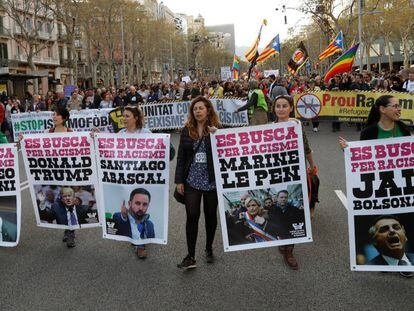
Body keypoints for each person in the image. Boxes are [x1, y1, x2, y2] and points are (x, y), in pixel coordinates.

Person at [339, 95, 411, 277]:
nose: (398, 109)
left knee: (405, 221)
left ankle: (405, 263)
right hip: (380, 185)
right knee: (384, 225)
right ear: (382, 109)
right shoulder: (369, 132)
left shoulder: (403, 128)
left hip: (402, 184)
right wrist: (349, 150)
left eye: (399, 106)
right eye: (395, 106)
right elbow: (364, 158)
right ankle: (387, 259)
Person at [271, 95, 317, 270]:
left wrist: (312, 165)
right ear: (274, 109)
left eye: (284, 106)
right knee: (280, 210)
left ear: (291, 108)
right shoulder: (270, 128)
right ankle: (282, 239)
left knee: (294, 210)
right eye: (278, 106)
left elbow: (305, 148)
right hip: (277, 173)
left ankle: (290, 250)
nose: (281, 109)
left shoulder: (297, 125)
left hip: (295, 173)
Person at [175, 96, 220, 269]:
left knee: (210, 216)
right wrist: (179, 180)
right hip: (192, 180)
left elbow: (226, 152)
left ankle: (209, 248)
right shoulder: (187, 130)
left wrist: (218, 136)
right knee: (192, 216)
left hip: (211, 181)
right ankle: (190, 255)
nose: (198, 111)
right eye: (195, 109)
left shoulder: (217, 129)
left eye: (201, 108)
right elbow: (181, 157)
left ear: (208, 110)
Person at [112, 188, 155, 258]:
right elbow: (117, 223)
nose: (141, 208)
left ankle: (140, 247)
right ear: (129, 203)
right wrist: (124, 216)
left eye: (145, 204)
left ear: (148, 206)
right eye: (137, 203)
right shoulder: (119, 216)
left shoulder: (150, 225)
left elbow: (151, 239)